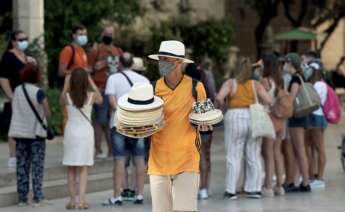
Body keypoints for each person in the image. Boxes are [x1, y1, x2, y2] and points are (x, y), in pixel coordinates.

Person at [147, 40, 209, 212]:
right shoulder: (153, 88)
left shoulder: (196, 87)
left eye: (166, 59)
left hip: (187, 158)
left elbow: (206, 119)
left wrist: (205, 125)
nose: (162, 63)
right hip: (158, 161)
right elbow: (145, 123)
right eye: (160, 59)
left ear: (179, 62)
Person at [216, 58, 272, 200]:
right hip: (253, 115)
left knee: (233, 155)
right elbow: (268, 100)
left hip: (234, 116)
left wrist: (222, 105)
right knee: (253, 154)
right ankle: (254, 189)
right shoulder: (256, 84)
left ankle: (231, 190)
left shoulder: (230, 83)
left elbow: (219, 97)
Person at [103, 52, 149, 206]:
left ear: (119, 63)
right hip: (139, 124)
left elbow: (111, 101)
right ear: (132, 64)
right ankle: (140, 194)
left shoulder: (113, 78)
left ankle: (117, 196)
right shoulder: (144, 80)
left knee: (119, 160)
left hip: (119, 123)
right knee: (140, 158)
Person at [8, 64, 51, 207]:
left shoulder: (17, 90)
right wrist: (46, 122)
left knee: (22, 166)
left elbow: (16, 108)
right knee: (37, 167)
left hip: (20, 134)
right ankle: (38, 196)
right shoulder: (39, 92)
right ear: (36, 76)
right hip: (36, 135)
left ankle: (22, 198)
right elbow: (47, 112)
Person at [61, 69, 103, 210]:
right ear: (86, 80)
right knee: (83, 168)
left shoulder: (67, 96)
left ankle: (72, 201)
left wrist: (67, 82)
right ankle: (81, 201)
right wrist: (91, 80)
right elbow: (101, 99)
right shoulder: (91, 96)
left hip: (71, 133)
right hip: (86, 134)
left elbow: (61, 99)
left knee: (71, 168)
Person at [0, 30, 36, 168]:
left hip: (28, 96)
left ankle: (25, 154)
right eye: (21, 40)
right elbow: (3, 79)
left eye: (26, 39)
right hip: (16, 96)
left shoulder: (26, 57)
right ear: (14, 42)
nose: (24, 42)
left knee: (27, 126)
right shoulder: (8, 56)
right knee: (15, 126)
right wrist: (12, 96)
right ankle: (13, 157)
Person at [88, 25, 123, 159]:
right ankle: (98, 150)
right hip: (101, 90)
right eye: (106, 33)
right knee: (100, 121)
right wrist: (98, 67)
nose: (109, 35)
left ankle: (111, 150)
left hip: (115, 91)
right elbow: (88, 70)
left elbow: (123, 68)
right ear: (102, 34)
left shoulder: (118, 51)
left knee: (113, 121)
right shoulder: (95, 51)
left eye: (111, 33)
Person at [185, 57, 217, 200]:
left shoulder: (185, 89)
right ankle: (204, 188)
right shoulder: (204, 88)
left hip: (187, 127)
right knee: (205, 155)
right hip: (205, 123)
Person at [284, 53, 312, 192]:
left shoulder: (295, 79)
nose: (285, 65)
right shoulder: (299, 77)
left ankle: (305, 182)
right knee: (297, 150)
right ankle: (296, 182)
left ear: (291, 64)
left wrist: (283, 95)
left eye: (287, 63)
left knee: (300, 150)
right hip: (300, 117)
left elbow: (291, 98)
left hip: (297, 117)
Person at [260, 53, 286, 197]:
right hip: (281, 120)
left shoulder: (265, 80)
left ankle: (268, 186)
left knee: (268, 153)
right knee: (277, 153)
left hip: (269, 118)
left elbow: (262, 101)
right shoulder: (280, 80)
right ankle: (279, 187)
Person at [305, 60, 328, 189]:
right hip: (311, 117)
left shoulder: (319, 84)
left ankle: (320, 178)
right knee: (308, 147)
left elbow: (314, 101)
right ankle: (312, 175)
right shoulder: (313, 83)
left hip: (316, 117)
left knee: (319, 148)